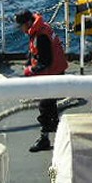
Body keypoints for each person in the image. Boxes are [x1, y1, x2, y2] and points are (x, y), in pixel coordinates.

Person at [15, 10, 69, 152]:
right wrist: (29, 62)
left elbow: (46, 61)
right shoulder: (39, 29)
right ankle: (58, 134)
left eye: (21, 26)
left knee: (45, 107)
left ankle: (46, 138)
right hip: (53, 73)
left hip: (53, 75)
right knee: (50, 107)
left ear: (27, 23)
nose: (21, 29)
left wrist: (30, 71)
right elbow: (35, 52)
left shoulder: (41, 35)